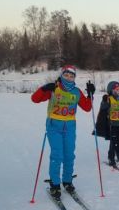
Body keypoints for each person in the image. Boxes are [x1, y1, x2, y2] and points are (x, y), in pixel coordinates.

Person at [31, 65, 93, 199]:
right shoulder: (54, 88)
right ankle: (55, 183)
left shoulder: (76, 92)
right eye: (66, 75)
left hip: (70, 127)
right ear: (62, 75)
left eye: (72, 76)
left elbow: (87, 108)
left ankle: (67, 180)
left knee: (69, 154)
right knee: (57, 155)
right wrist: (43, 89)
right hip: (54, 126)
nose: (69, 78)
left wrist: (90, 95)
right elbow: (35, 99)